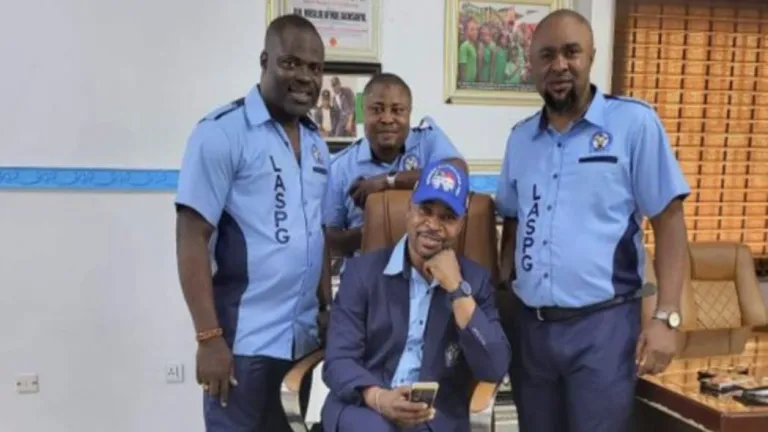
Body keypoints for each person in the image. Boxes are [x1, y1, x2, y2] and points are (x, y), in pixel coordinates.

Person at [495, 9, 689, 432]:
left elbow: (670, 221)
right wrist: (505, 301)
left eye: (571, 52)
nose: (559, 65)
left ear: (591, 57)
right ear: (531, 66)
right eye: (547, 55)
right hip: (532, 332)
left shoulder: (633, 123)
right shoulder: (520, 139)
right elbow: (511, 219)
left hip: (603, 330)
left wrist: (666, 317)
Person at [174, 14, 331, 432]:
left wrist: (326, 307)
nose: (305, 77)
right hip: (241, 344)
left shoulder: (317, 144)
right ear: (265, 61)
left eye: (315, 68)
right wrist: (208, 338)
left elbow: (317, 233)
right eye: (291, 63)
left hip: (300, 342)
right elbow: (191, 237)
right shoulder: (222, 133)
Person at [321, 160, 510, 432]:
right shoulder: (362, 273)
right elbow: (339, 360)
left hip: (434, 417)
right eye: (425, 210)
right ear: (409, 209)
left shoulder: (475, 281)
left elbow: (494, 366)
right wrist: (380, 398)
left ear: (461, 224)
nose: (433, 225)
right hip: (365, 406)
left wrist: (457, 289)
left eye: (447, 217)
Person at [324, 72, 467, 260]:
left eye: (397, 110)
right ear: (362, 112)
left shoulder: (428, 141)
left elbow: (458, 173)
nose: (387, 119)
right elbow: (330, 241)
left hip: (427, 271)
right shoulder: (340, 167)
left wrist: (387, 181)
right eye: (377, 110)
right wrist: (378, 229)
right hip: (366, 272)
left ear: (409, 113)